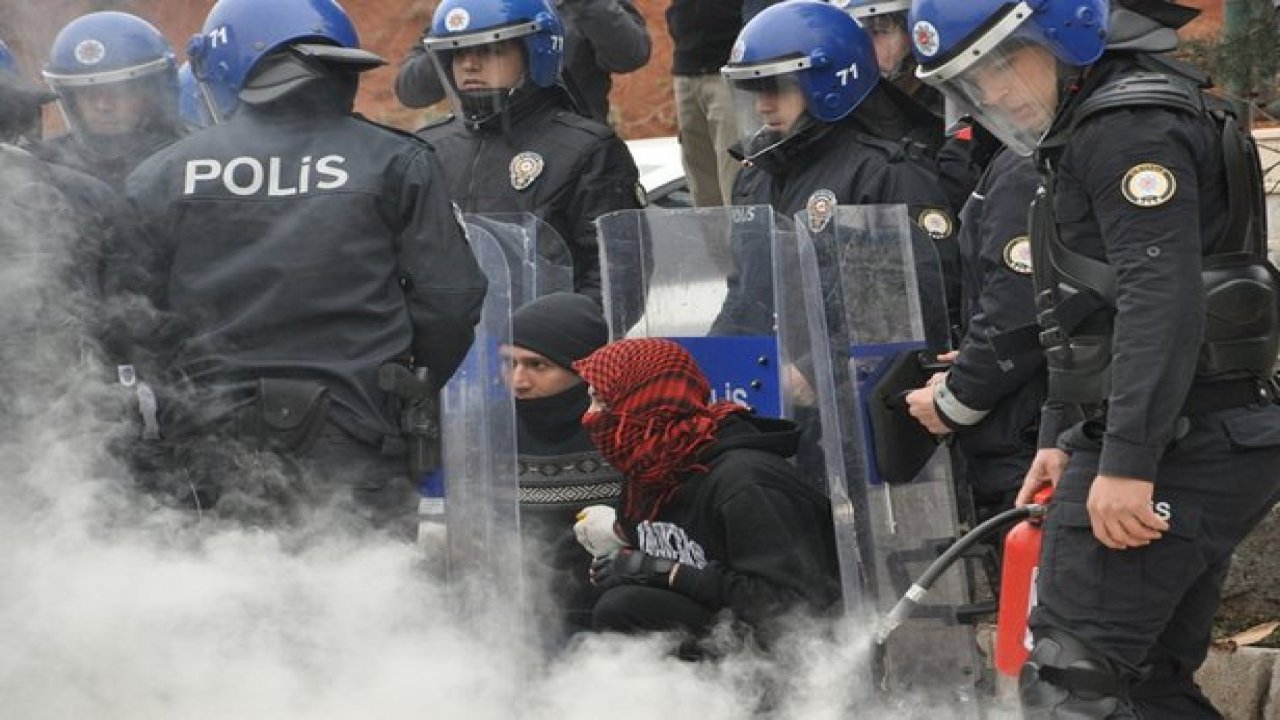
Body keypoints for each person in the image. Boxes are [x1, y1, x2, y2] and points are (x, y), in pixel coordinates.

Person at [911, 0, 1280, 716]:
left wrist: (1127, 462)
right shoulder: (1103, 116)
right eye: (971, 80)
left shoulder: (1125, 127)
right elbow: (1083, 299)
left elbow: (1160, 300)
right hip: (1185, 431)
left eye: (1001, 63)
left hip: (1177, 440)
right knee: (1142, 684)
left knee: (1071, 679)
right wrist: (1061, 431)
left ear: (1063, 34)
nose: (992, 94)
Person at [123, 0, 488, 535]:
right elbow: (452, 303)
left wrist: (186, 397)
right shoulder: (393, 159)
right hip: (358, 442)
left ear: (229, 65)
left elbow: (130, 318)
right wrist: (394, 390)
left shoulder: (161, 175)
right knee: (367, 609)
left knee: (227, 609)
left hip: (211, 448)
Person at [713, 0, 955, 350]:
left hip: (860, 393)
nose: (762, 105)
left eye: (778, 87)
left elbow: (912, 305)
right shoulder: (755, 178)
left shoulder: (885, 173)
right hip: (770, 389)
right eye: (755, 90)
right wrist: (707, 368)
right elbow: (745, 298)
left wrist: (814, 374)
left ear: (829, 83)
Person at [572, 337, 840, 650]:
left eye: (602, 402)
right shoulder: (651, 471)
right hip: (712, 649)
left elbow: (794, 609)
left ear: (644, 402)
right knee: (584, 607)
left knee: (625, 607)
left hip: (793, 661)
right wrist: (622, 561)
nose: (589, 416)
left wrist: (665, 572)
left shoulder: (747, 482)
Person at [416, 0, 642, 304]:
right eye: (458, 53)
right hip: (448, 347)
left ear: (536, 52)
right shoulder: (428, 149)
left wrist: (542, 341)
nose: (469, 65)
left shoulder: (587, 150)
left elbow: (620, 279)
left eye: (489, 50)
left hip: (550, 349)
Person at [903, 145, 1044, 526]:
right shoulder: (1014, 156)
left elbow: (1019, 307)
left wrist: (957, 395)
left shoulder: (1025, 164)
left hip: (1029, 430)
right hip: (1034, 422)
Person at [501, 292, 621, 635]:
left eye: (538, 365)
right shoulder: (488, 432)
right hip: (507, 612)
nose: (519, 381)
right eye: (510, 363)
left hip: (599, 620)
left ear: (582, 369)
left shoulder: (620, 436)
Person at [395, 0, 649, 124]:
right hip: (483, 150)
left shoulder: (578, 6)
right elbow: (411, 91)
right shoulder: (469, 6)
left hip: (572, 157)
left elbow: (630, 55)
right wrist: (454, 42)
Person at [35, 12, 184, 190]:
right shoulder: (43, 164)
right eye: (87, 93)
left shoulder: (190, 160)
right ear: (70, 99)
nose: (103, 105)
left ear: (152, 92)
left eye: (119, 91)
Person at [667, 0, 744, 208]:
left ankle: (743, 240)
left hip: (731, 67)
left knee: (735, 183)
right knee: (704, 194)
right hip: (686, 67)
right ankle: (715, 242)